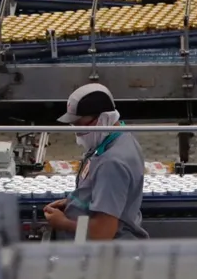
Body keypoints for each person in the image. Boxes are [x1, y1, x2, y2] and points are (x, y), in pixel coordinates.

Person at [42, 83, 150, 240]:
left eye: (80, 125)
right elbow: (108, 194)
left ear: (103, 119)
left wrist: (63, 222)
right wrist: (74, 202)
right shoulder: (120, 138)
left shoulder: (111, 163)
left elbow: (102, 233)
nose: (77, 134)